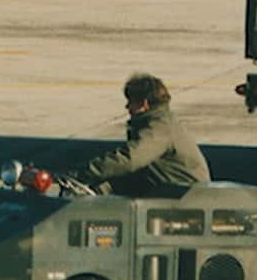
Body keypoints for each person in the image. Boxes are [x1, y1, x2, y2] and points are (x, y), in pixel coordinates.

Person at [78, 72, 210, 199]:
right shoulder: (160, 122)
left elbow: (131, 159)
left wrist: (84, 173)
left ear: (144, 104)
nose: (127, 107)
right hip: (171, 187)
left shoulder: (159, 128)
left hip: (184, 196)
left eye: (131, 102)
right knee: (106, 186)